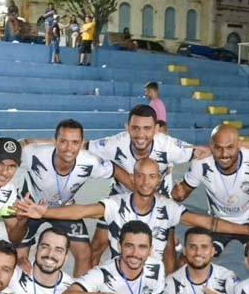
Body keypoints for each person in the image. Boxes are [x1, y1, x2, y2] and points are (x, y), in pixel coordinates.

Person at [15, 158, 249, 264]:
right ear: (133, 178)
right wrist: (44, 213)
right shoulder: (117, 204)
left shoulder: (168, 208)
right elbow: (80, 211)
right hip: (121, 275)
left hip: (153, 282)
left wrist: (247, 230)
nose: (145, 182)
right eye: (140, 176)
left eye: (151, 177)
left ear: (158, 179)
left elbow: (210, 224)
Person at [86, 104, 208, 272]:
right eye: (135, 128)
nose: (141, 134)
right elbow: (78, 146)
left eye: (147, 128)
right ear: (127, 127)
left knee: (168, 248)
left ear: (156, 128)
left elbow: (206, 153)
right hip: (121, 195)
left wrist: (187, 186)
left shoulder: (168, 145)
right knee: (97, 246)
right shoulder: (115, 143)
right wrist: (38, 143)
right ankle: (89, 290)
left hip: (157, 198)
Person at [7, 119, 132, 277]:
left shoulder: (89, 161)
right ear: (54, 141)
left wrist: (142, 193)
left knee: (84, 253)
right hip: (30, 206)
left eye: (75, 142)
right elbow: (1, 156)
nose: (69, 148)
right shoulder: (34, 153)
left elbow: (115, 170)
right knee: (18, 259)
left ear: (81, 144)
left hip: (63, 208)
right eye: (63, 141)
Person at [172, 123, 249, 258]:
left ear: (239, 145)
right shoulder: (201, 164)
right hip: (219, 222)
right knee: (189, 258)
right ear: (211, 146)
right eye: (218, 148)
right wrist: (178, 194)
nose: (224, 154)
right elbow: (181, 193)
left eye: (229, 148)